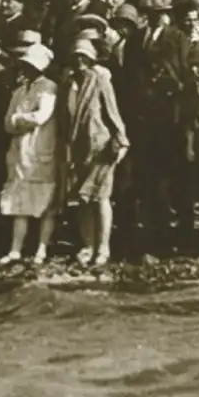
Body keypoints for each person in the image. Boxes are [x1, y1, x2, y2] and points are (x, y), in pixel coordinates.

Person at [57, 38, 129, 268]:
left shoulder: (100, 80)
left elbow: (112, 111)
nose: (79, 61)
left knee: (101, 197)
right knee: (81, 199)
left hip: (100, 145)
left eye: (84, 57)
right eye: (76, 56)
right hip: (77, 148)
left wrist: (121, 140)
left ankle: (103, 247)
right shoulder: (68, 83)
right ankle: (87, 245)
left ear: (91, 59)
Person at [0, 43, 60, 266]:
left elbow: (40, 117)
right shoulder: (19, 91)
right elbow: (7, 122)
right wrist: (19, 120)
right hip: (20, 153)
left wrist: (18, 119)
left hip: (40, 151)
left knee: (45, 204)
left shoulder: (49, 88)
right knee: (19, 203)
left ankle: (41, 249)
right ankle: (15, 249)